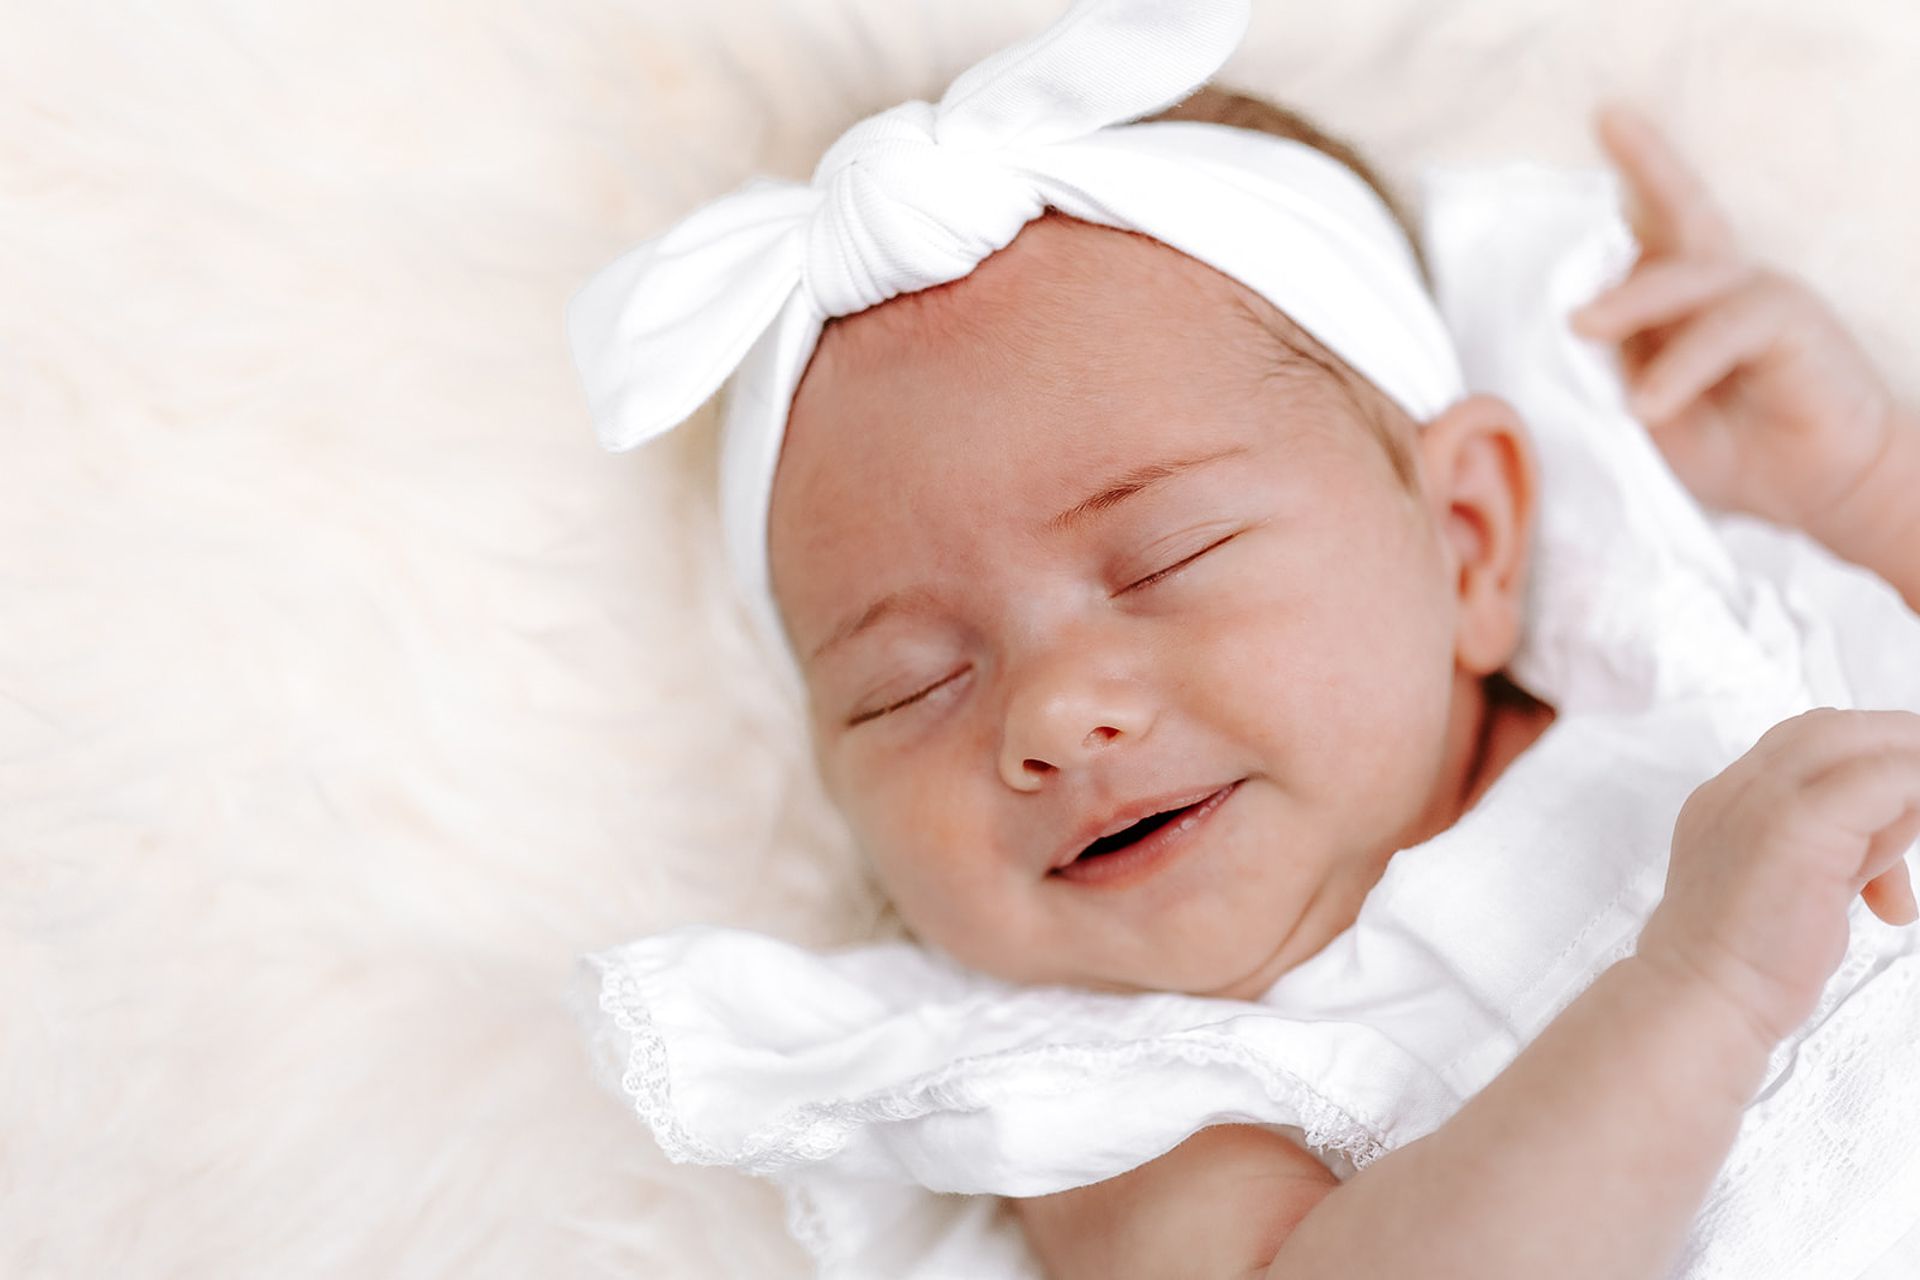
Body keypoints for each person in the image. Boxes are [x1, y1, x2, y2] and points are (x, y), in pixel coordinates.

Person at [564, 2, 1920, 1275]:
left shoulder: (1693, 643)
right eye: (910, 686)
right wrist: (1704, 989)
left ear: (1467, 537)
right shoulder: (1132, 1103)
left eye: (1161, 562)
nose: (1048, 715)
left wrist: (1866, 484)